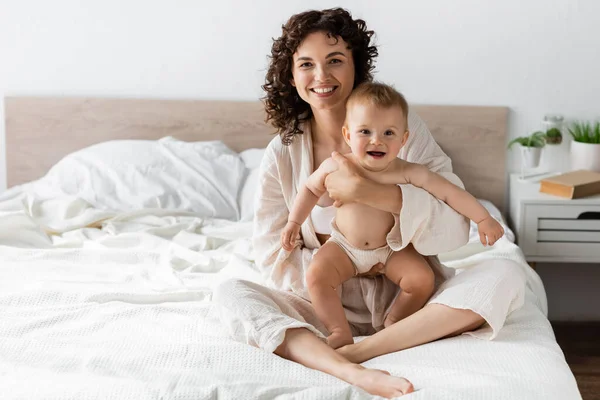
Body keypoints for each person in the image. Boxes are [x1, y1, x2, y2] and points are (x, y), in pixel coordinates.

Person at [214, 8, 525, 398]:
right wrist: (335, 270)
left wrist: (372, 195)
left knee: (506, 274)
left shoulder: (402, 133)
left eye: (335, 61)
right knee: (231, 294)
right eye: (306, 64)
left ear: (356, 66)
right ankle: (348, 368)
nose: (322, 76)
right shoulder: (284, 151)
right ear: (291, 77)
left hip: (408, 298)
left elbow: (454, 227)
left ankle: (365, 351)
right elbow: (271, 250)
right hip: (322, 304)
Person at [280, 81, 505, 349]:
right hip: (343, 247)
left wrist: (483, 218)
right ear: (348, 135)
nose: (377, 140)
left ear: (403, 139)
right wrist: (293, 222)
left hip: (391, 248)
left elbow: (450, 194)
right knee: (317, 275)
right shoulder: (337, 165)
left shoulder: (408, 171)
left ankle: (395, 322)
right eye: (365, 131)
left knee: (421, 279)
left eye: (388, 133)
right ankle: (339, 329)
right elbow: (309, 188)